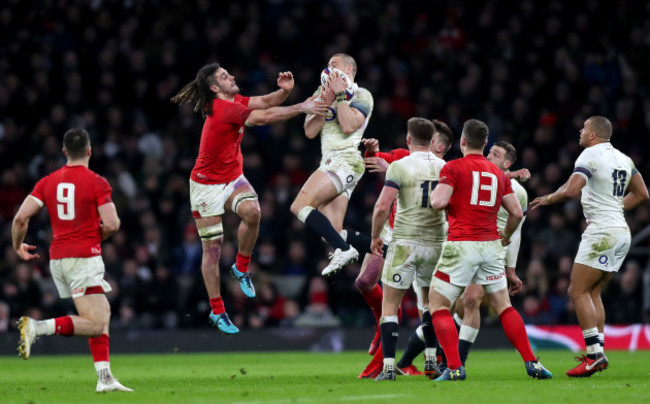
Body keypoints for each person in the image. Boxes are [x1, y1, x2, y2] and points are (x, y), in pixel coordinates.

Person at [171, 63, 327, 334]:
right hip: (205, 186)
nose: (231, 76)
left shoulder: (233, 100)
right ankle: (217, 310)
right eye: (223, 76)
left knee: (253, 212)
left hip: (231, 178)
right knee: (213, 247)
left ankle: (241, 268)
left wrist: (284, 91)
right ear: (214, 88)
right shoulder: (223, 109)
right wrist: (301, 107)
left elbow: (266, 102)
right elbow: (262, 118)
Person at [428, 119, 552, 381]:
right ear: (485, 144)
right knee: (504, 306)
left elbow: (438, 202)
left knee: (437, 305)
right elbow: (517, 213)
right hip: (492, 247)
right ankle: (532, 363)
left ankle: (454, 368)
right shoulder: (498, 174)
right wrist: (505, 235)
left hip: (462, 244)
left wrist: (439, 195)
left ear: (462, 141)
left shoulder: (453, 167)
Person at [13, 128, 132, 392]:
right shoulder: (97, 182)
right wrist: (94, 236)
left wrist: (17, 245)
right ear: (90, 150)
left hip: (58, 259)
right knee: (95, 323)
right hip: (83, 257)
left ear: (64, 151)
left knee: (103, 312)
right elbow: (112, 224)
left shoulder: (47, 181)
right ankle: (36, 327)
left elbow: (21, 218)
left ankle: (105, 378)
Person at [529, 116, 649, 377]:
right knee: (593, 293)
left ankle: (594, 356)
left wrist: (548, 198)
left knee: (577, 291)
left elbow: (572, 189)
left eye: (584, 128)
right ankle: (599, 352)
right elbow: (643, 195)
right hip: (621, 231)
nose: (580, 132)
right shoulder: (624, 159)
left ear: (593, 134)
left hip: (602, 231)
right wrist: (616, 206)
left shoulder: (588, 155)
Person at [355, 119, 454, 378]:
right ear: (432, 141)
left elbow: (381, 206)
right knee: (430, 304)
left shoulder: (399, 166)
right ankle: (431, 360)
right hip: (435, 244)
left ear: (409, 139)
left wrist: (376, 236)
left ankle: (388, 367)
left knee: (390, 306)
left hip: (405, 242)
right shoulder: (446, 167)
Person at [289, 53, 374, 276]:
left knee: (299, 206)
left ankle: (345, 250)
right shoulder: (321, 92)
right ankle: (387, 250)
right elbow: (309, 131)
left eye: (334, 65)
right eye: (327, 65)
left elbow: (348, 127)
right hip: (333, 162)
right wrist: (326, 99)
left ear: (348, 69)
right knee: (331, 233)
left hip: (345, 160)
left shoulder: (362, 94)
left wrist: (339, 95)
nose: (328, 69)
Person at [452, 141, 527, 367]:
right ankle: (435, 356)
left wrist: (511, 269)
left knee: (473, 301)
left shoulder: (519, 192)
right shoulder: (473, 176)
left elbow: (517, 231)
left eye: (495, 154)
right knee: (456, 306)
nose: (488, 155)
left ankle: (456, 363)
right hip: (464, 246)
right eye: (489, 151)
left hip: (490, 252)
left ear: (506, 163)